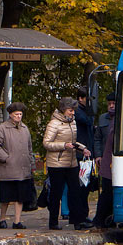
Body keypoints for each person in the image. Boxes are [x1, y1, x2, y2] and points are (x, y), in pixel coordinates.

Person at [43, 97, 91, 230]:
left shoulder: (72, 123)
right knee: (56, 193)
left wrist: (83, 148)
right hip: (57, 164)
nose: (73, 113)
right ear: (63, 110)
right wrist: (64, 145)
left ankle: (77, 221)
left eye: (73, 110)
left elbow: (73, 141)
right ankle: (53, 222)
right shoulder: (54, 124)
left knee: (75, 191)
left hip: (71, 162)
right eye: (70, 110)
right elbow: (47, 143)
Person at [0, 102, 34, 229]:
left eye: (20, 114)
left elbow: (29, 147)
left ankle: (17, 221)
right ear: (10, 114)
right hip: (8, 169)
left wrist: (31, 163)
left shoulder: (25, 129)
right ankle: (2, 218)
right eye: (16, 114)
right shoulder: (2, 128)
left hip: (22, 168)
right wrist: (6, 158)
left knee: (20, 197)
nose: (19, 116)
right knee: (6, 197)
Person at [70, 88, 96, 227]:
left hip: (87, 152)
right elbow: (87, 121)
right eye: (88, 99)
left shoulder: (83, 112)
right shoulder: (79, 113)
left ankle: (82, 215)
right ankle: (78, 217)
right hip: (81, 153)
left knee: (85, 186)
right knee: (81, 186)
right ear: (80, 99)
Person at [92, 93, 117, 228]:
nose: (111, 106)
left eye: (113, 103)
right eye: (109, 104)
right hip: (106, 160)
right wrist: (98, 155)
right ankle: (101, 218)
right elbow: (97, 138)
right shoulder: (103, 119)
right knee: (106, 190)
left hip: (117, 159)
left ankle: (112, 217)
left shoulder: (122, 118)